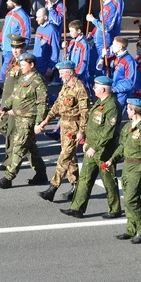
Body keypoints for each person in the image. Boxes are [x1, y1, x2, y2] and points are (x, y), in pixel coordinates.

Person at [60, 76, 122, 219]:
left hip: (104, 151)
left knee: (108, 180)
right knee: (85, 178)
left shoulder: (112, 106)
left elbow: (108, 132)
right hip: (91, 149)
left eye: (96, 86)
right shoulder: (100, 102)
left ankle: (114, 209)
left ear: (103, 89)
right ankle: (77, 208)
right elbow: (93, 125)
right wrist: (87, 141)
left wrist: (94, 146)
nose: (93, 88)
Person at [105, 98, 141, 244]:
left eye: (128, 109)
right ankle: (131, 228)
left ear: (134, 111)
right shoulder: (128, 126)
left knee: (131, 199)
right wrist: (112, 159)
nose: (126, 111)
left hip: (139, 167)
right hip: (127, 166)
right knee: (127, 199)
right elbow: (122, 146)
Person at [37, 61, 89, 201]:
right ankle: (76, 186)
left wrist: (81, 131)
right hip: (64, 125)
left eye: (62, 73)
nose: (60, 77)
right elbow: (57, 105)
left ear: (70, 73)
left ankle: (53, 187)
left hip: (74, 125)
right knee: (71, 158)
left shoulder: (79, 87)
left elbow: (85, 112)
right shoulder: (66, 86)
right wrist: (46, 121)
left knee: (64, 157)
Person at [0, 53, 48, 188]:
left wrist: (39, 123)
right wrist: (5, 107)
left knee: (18, 147)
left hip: (28, 120)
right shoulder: (24, 78)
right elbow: (14, 95)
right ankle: (41, 174)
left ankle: (8, 178)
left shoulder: (38, 82)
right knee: (31, 149)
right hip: (18, 118)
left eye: (24, 65)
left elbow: (42, 104)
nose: (21, 67)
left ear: (32, 65)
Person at [0, 0, 31, 82]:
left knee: (5, 72)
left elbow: (26, 34)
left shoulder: (23, 16)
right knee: (7, 72)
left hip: (13, 50)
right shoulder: (9, 14)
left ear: (14, 2)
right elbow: (4, 29)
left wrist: (24, 48)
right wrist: (0, 40)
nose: (7, 2)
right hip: (5, 48)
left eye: (8, 0)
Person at [33, 8, 60, 81]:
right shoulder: (38, 29)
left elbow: (55, 50)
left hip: (45, 66)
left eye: (38, 17)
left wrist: (51, 66)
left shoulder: (52, 31)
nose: (36, 19)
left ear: (45, 17)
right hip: (36, 63)